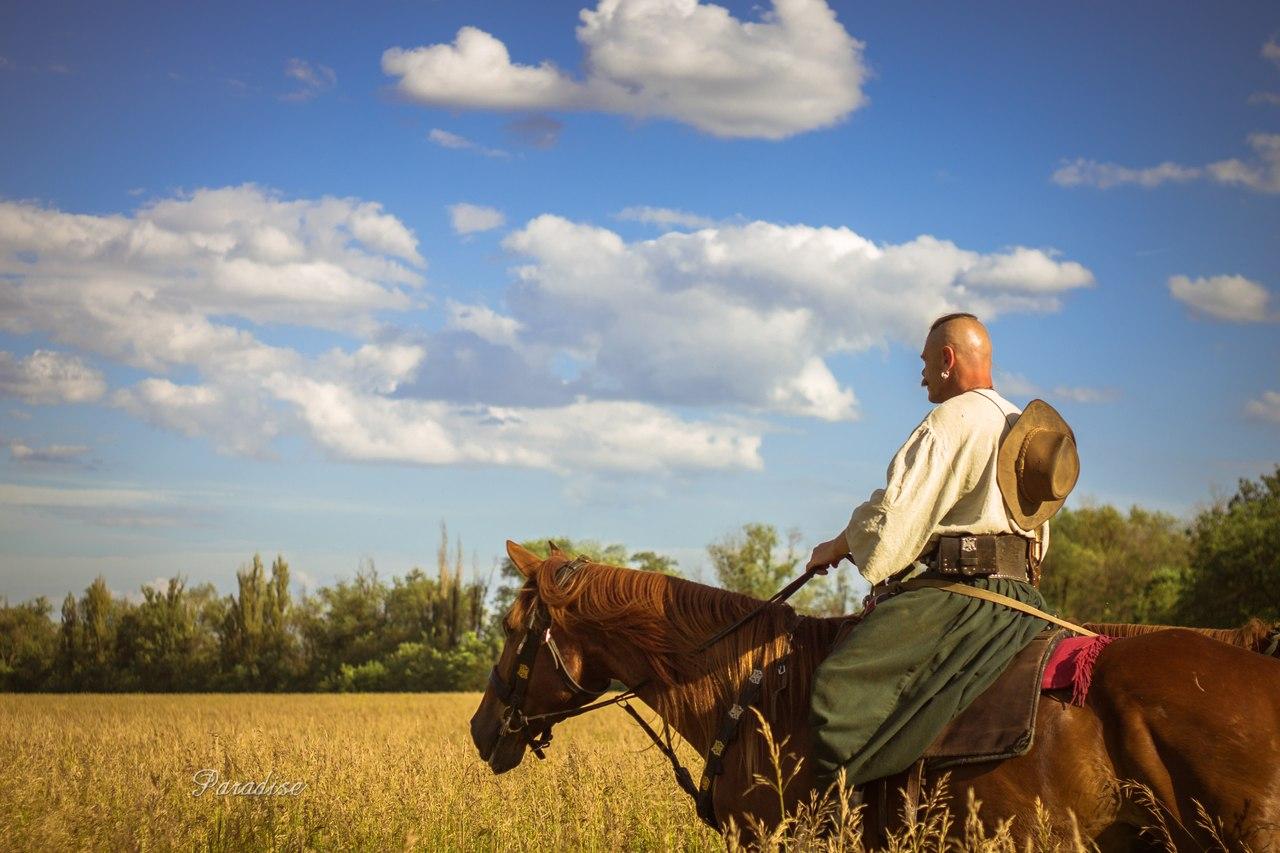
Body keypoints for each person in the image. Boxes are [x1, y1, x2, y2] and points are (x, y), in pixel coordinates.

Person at [805, 312, 1079, 791]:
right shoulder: (1023, 430)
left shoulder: (952, 420)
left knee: (839, 687)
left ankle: (840, 817)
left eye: (927, 363)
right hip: (1021, 605)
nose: (923, 375)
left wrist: (836, 545)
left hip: (961, 599)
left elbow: (894, 517)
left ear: (948, 360)